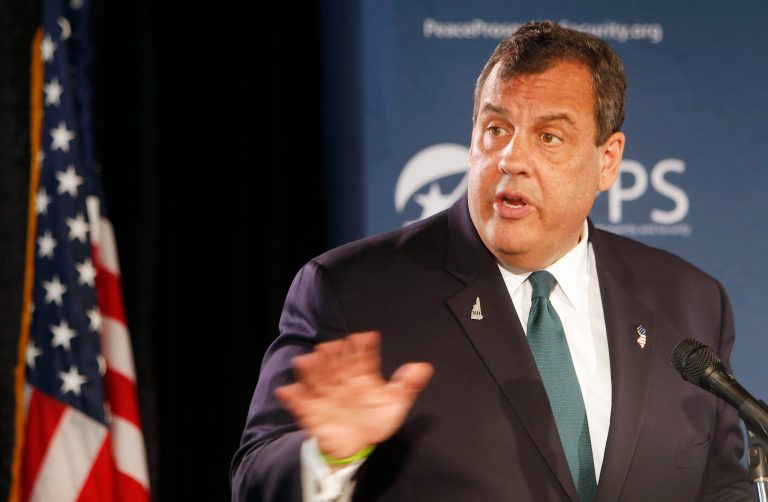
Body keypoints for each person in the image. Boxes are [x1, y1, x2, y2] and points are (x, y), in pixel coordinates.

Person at [231, 20, 756, 501]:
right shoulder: (352, 292)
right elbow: (253, 480)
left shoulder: (690, 301)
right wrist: (329, 455)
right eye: (496, 129)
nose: (511, 159)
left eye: (548, 137)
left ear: (607, 160)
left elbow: (720, 485)